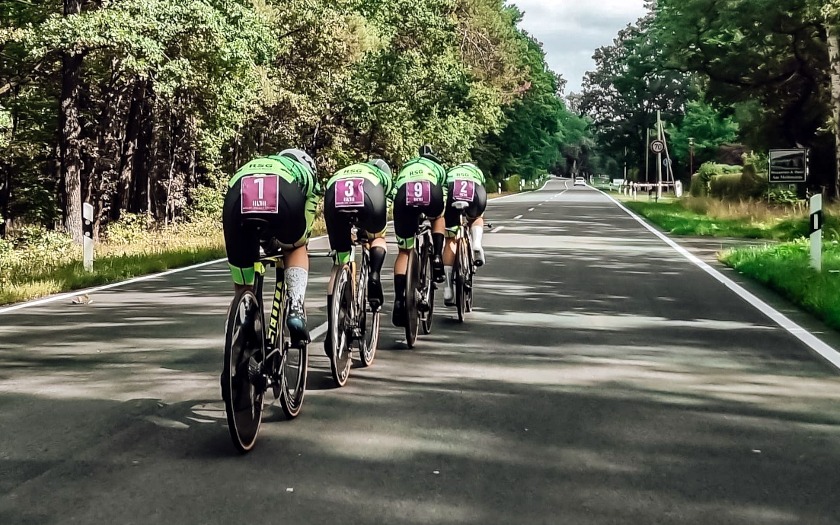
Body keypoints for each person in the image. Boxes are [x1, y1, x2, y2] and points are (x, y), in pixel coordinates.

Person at [222, 148, 319, 344]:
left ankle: (243, 320)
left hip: (236, 192)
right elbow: (305, 227)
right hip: (284, 190)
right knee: (296, 247)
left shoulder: (258, 162)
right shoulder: (305, 174)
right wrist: (291, 243)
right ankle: (295, 307)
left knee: (243, 284)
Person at [323, 158, 393, 311]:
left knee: (340, 261)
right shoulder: (382, 176)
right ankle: (374, 274)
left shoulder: (345, 170)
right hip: (370, 192)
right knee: (378, 237)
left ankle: (333, 324)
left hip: (334, 191)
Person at [391, 144, 447, 326]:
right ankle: (438, 257)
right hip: (431, 189)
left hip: (404, 193)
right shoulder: (437, 168)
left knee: (404, 251)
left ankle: (400, 299)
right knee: (438, 217)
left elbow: (394, 193)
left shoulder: (406, 166)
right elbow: (444, 192)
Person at [441, 162, 487, 306]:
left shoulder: (450, 172)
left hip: (451, 192)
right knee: (477, 218)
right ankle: (476, 243)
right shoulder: (477, 173)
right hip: (474, 191)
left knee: (450, 240)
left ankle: (448, 288)